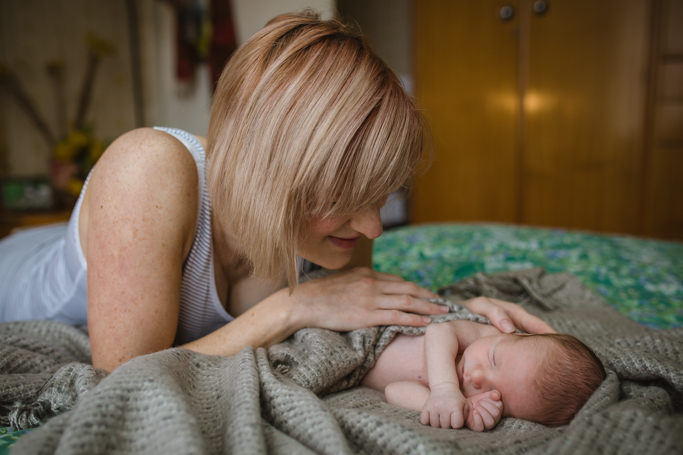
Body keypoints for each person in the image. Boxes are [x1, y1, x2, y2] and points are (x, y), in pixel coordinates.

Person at [0, 11, 554, 373]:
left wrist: (469, 324)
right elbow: (120, 376)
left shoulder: (337, 229)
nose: (373, 228)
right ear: (274, 172)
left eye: (382, 196)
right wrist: (295, 305)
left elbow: (370, 312)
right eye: (347, 198)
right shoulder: (148, 169)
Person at [361, 319, 606, 431]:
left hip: (355, 360)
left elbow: (394, 391)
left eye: (494, 394)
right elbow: (439, 331)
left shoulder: (458, 398)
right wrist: (444, 388)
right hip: (371, 326)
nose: (477, 377)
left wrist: (459, 408)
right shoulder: (482, 333)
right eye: (493, 359)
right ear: (517, 335)